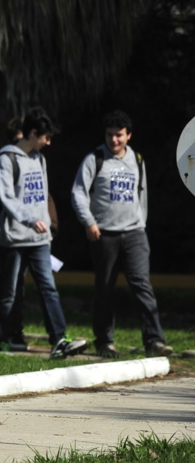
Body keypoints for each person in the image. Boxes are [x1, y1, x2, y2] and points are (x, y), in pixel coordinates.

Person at [69, 110, 173, 358]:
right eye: (109, 135)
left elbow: (142, 194)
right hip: (104, 235)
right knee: (105, 288)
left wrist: (141, 224)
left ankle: (154, 341)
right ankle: (105, 341)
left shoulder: (137, 159)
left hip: (135, 233)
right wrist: (89, 222)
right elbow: (78, 193)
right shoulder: (94, 159)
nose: (114, 140)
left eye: (119, 135)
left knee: (142, 286)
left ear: (128, 135)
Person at [0, 107, 86, 359]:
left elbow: (42, 196)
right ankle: (1, 338)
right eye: (45, 137)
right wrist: (30, 219)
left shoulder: (40, 159)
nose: (48, 142)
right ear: (32, 133)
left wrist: (46, 224)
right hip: (13, 237)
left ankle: (59, 340)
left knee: (48, 287)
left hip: (40, 239)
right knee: (10, 291)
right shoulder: (7, 159)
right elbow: (7, 198)